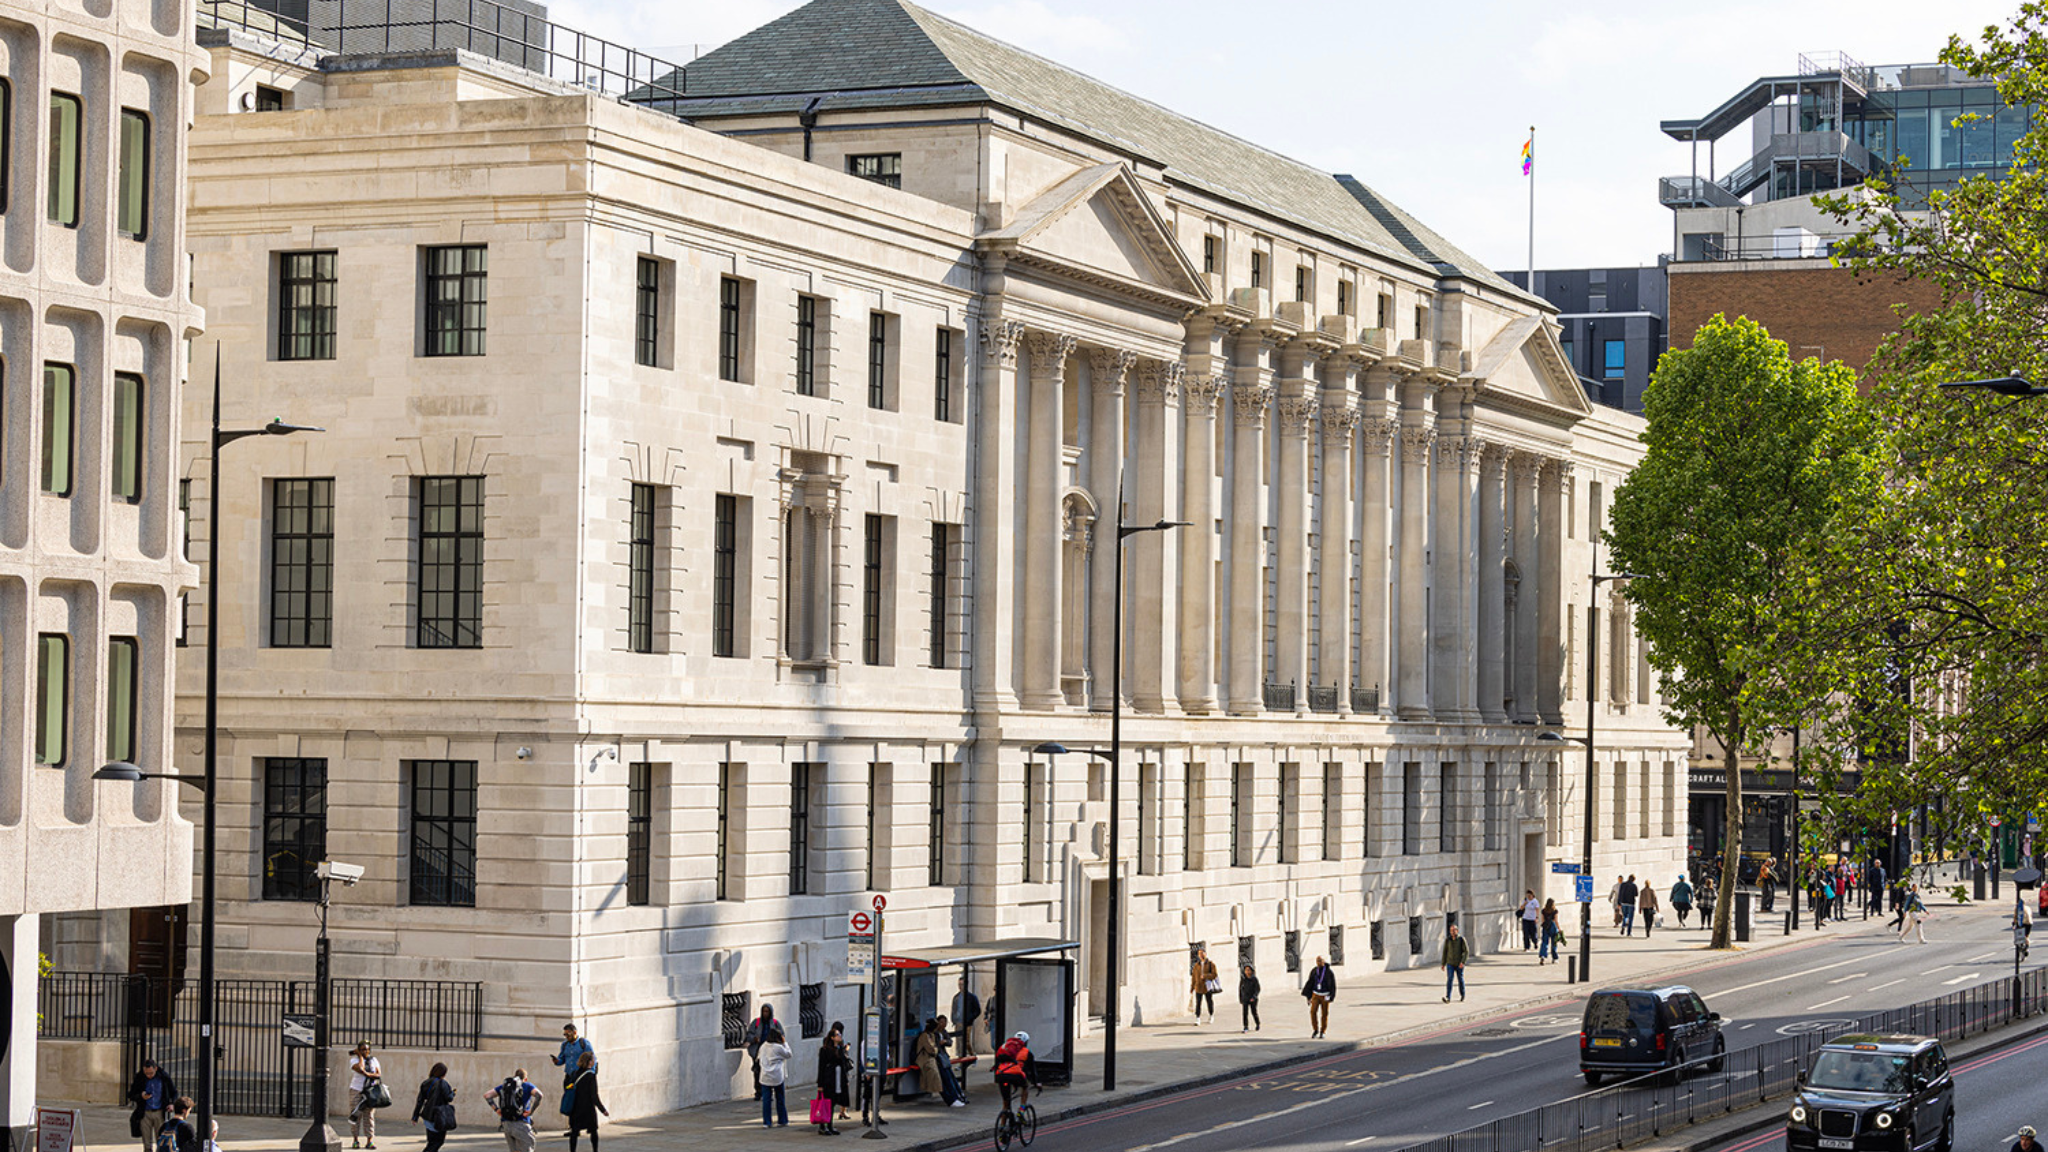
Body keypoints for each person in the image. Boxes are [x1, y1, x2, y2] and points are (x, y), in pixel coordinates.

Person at [128, 1056, 179, 1152]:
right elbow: (131, 1094)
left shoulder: (163, 1077)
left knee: (161, 1139)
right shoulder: (140, 1077)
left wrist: (171, 1103)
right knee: (147, 1142)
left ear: (155, 1069)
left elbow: (174, 1092)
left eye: (151, 1073)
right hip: (145, 1112)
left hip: (159, 1111)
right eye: (146, 1073)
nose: (149, 1075)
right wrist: (141, 1096)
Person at [486, 1069, 544, 1152]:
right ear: (525, 1079)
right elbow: (539, 1095)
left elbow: (487, 1095)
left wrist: (496, 1109)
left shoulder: (505, 1086)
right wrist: (531, 1111)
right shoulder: (527, 1086)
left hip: (507, 1124)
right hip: (522, 1124)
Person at [564, 1051, 608, 1152]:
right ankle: (595, 1150)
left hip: (575, 1108)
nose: (594, 1061)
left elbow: (568, 1086)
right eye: (593, 1059)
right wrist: (603, 1110)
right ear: (589, 1062)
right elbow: (594, 1096)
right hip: (588, 1109)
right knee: (593, 1131)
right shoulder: (591, 1076)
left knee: (574, 1132)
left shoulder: (575, 1074)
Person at [410, 1061, 457, 1152]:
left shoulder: (426, 1083)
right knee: (437, 1142)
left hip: (427, 1116)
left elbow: (420, 1101)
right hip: (439, 1117)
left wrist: (415, 1116)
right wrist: (453, 1093)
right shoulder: (443, 1083)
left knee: (432, 1142)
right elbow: (449, 1098)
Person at [816, 1022, 853, 1135]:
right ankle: (823, 1125)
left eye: (840, 1035)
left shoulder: (840, 1049)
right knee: (826, 1103)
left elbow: (843, 1064)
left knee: (833, 1102)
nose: (839, 1036)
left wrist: (845, 1080)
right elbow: (821, 1067)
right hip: (829, 1079)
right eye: (837, 1035)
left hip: (838, 1078)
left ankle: (830, 1125)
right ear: (832, 1037)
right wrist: (820, 1084)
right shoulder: (825, 1050)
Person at [553, 1023, 595, 1118]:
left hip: (580, 1077)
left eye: (568, 1034)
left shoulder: (583, 1043)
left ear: (575, 1032)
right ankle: (572, 1126)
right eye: (565, 1035)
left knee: (579, 1101)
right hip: (569, 1076)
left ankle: (578, 1125)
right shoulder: (565, 1045)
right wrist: (557, 1061)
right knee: (569, 1100)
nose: (566, 1037)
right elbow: (562, 1059)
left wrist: (591, 1074)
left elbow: (592, 1059)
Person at [349, 1041, 384, 1149]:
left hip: (370, 1091)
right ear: (359, 1050)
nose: (365, 1051)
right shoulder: (354, 1060)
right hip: (357, 1090)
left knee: (369, 1116)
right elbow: (359, 1068)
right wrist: (360, 1057)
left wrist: (367, 1074)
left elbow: (378, 1074)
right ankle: (355, 1140)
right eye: (362, 1049)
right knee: (355, 1115)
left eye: (367, 1049)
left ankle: (369, 1141)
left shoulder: (374, 1060)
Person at [759, 1025, 794, 1128]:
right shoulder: (778, 1047)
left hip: (765, 1075)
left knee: (766, 1100)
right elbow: (789, 1054)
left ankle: (767, 1121)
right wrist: (785, 1043)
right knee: (780, 1098)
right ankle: (782, 1120)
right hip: (777, 1075)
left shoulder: (763, 1046)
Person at [992, 1032, 1034, 1114]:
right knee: (1025, 1087)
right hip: (1015, 1074)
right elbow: (1032, 1070)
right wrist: (1036, 1083)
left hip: (1001, 1074)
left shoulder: (1006, 1048)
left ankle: (1002, 1124)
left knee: (1006, 1102)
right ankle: (1021, 1110)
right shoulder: (1026, 1052)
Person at [745, 1004, 781, 1100]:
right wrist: (754, 1039)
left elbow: (781, 1035)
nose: (765, 1014)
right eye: (764, 1011)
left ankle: (769, 1092)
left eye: (767, 1011)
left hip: (770, 1052)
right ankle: (758, 1092)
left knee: (769, 1073)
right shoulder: (756, 1022)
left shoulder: (775, 1023)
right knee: (757, 1072)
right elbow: (749, 1034)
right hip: (758, 1051)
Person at [932, 1015, 967, 1106]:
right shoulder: (934, 1034)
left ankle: (959, 1094)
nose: (943, 1024)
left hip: (944, 1058)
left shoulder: (943, 1032)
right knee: (947, 1079)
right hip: (939, 1059)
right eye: (941, 1022)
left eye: (945, 1022)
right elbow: (933, 1048)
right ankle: (953, 1098)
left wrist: (945, 1042)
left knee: (951, 1078)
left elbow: (950, 1042)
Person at [1301, 955, 1337, 1038]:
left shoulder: (1329, 972)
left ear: (1324, 961)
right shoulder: (1314, 971)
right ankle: (1315, 1029)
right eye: (1317, 961)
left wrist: (1331, 996)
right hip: (1315, 994)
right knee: (1313, 1012)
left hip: (1325, 995)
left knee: (1324, 1014)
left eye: (1320, 961)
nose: (1319, 962)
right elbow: (1310, 983)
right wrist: (1308, 997)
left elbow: (1333, 985)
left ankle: (1323, 1031)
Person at [951, 978, 983, 1059]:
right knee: (959, 1041)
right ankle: (961, 1058)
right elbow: (953, 1009)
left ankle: (971, 1055)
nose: (960, 987)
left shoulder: (972, 997)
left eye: (962, 984)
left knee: (966, 1041)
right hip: (958, 1022)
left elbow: (978, 1010)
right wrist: (953, 1019)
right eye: (959, 985)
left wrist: (970, 1018)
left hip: (967, 1023)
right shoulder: (956, 997)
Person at [1190, 948, 1220, 1024]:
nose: (1201, 955)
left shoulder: (1211, 964)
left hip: (1207, 986)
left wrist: (1205, 976)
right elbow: (1194, 977)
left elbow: (1214, 974)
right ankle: (1198, 1018)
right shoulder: (1196, 965)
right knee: (1198, 1003)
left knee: (1209, 1001)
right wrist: (1192, 987)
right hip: (1198, 986)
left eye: (1202, 953)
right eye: (1199, 954)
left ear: (1205, 954)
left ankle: (1211, 1015)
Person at [1441, 924, 1469, 1002]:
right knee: (1450, 979)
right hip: (1450, 963)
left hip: (1459, 963)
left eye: (1453, 930)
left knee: (1460, 979)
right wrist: (1443, 963)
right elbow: (1445, 952)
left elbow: (1466, 951)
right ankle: (1448, 997)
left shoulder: (1461, 939)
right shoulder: (1448, 940)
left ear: (1457, 931)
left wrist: (1463, 962)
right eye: (1451, 930)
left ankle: (1462, 994)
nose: (1452, 932)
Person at [1238, 963, 1262, 1033]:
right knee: (1245, 1013)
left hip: (1252, 998)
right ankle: (1245, 1026)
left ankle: (1257, 1023)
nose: (1247, 972)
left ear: (1251, 971)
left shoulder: (1254, 979)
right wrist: (1241, 998)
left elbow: (1258, 989)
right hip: (1245, 997)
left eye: (1249, 970)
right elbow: (1240, 989)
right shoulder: (1243, 979)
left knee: (1254, 1012)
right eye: (1246, 970)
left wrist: (1254, 997)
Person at [1538, 898, 1561, 964]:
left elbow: (1542, 920)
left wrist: (1545, 925)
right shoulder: (1555, 911)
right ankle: (1555, 958)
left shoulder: (1543, 911)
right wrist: (1559, 929)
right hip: (1553, 927)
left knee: (1544, 942)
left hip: (1545, 927)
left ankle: (1543, 955)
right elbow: (1556, 921)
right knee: (1554, 943)